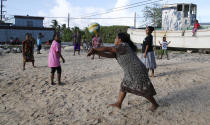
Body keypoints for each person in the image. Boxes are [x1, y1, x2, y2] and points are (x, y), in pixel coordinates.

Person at [87, 32, 159, 111]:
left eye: (116, 38)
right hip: (131, 71)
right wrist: (96, 52)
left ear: (119, 40)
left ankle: (155, 104)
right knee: (124, 86)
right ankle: (118, 103)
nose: (115, 39)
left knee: (143, 89)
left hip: (137, 70)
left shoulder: (123, 45)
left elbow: (109, 48)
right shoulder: (119, 48)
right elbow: (108, 55)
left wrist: (94, 48)